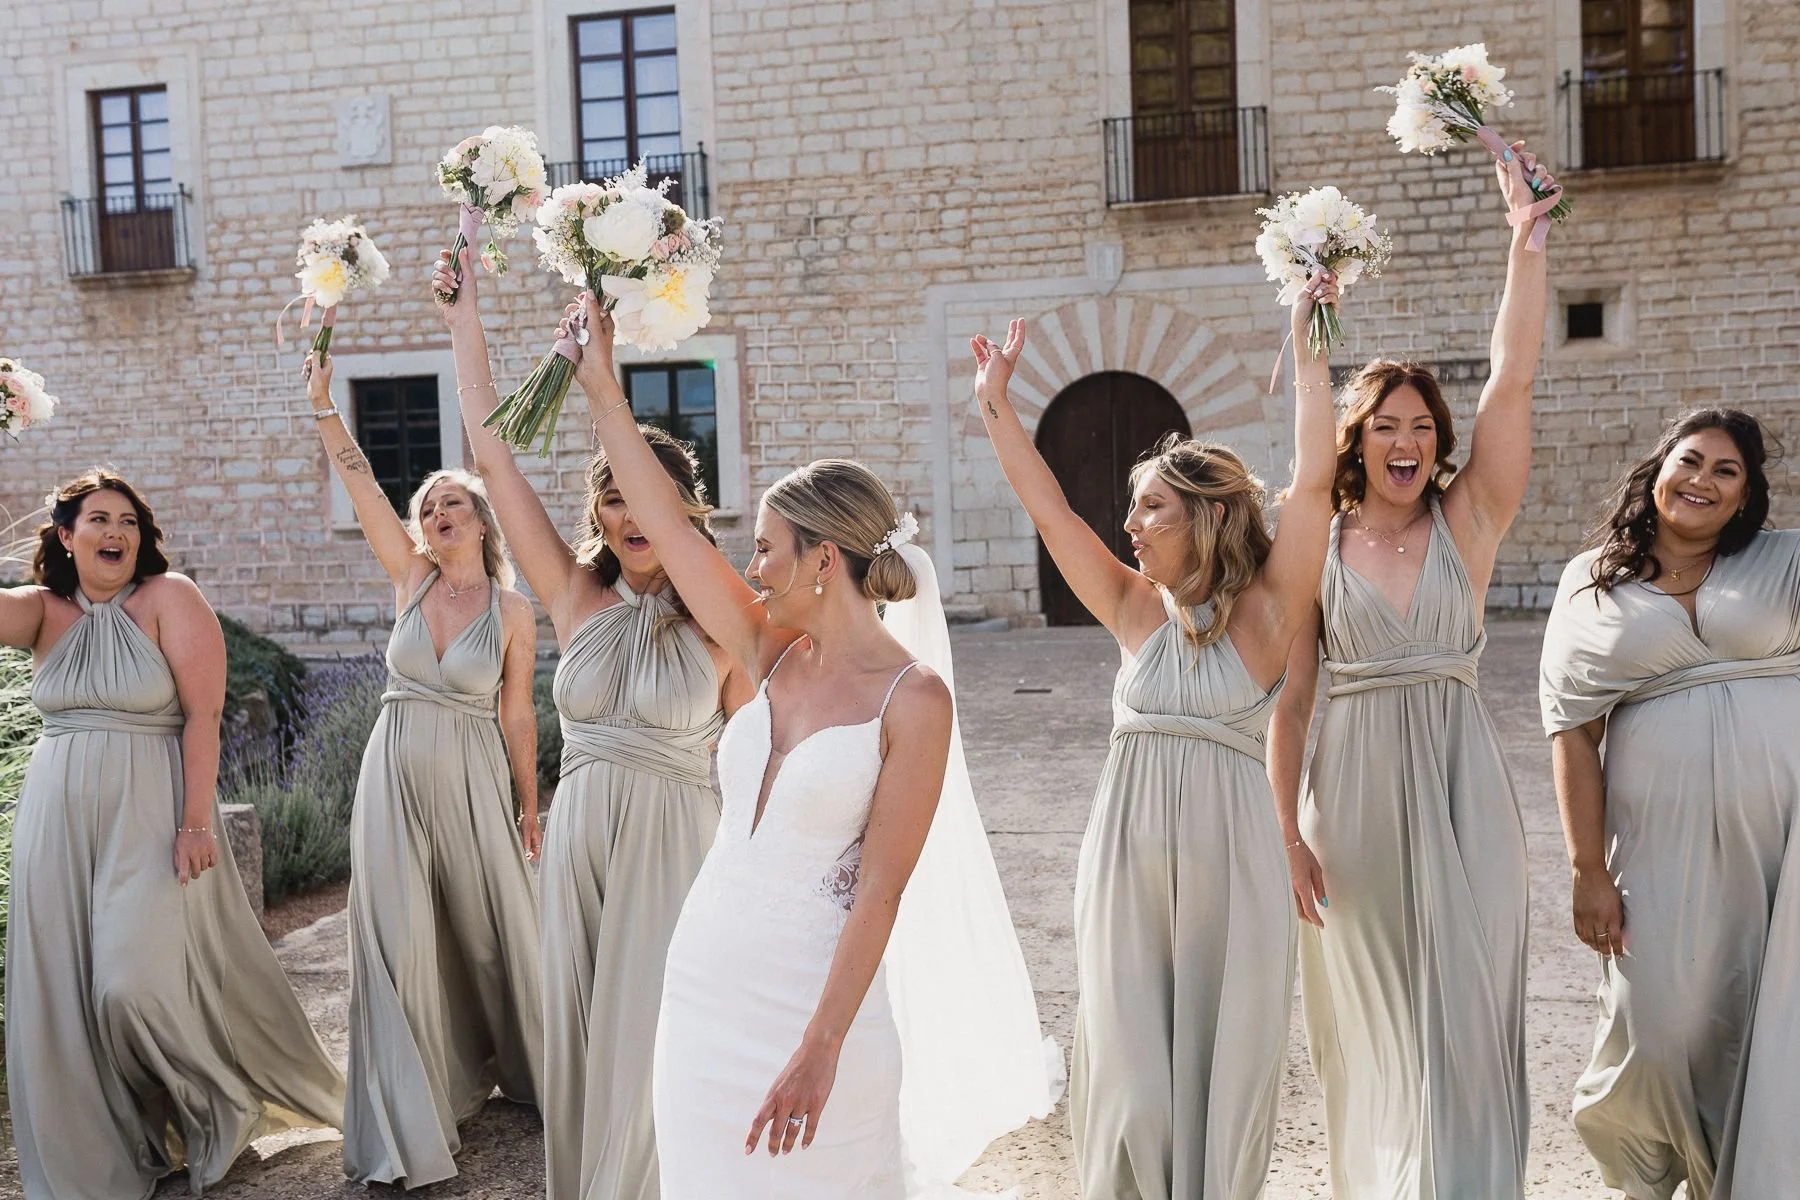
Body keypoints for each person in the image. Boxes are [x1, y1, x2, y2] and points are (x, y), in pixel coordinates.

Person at [561, 291, 1056, 1197]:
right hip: (703, 983)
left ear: (825, 559)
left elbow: (881, 890)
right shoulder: (767, 649)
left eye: (766, 550)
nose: (751, 568)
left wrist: (822, 1044)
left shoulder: (916, 701)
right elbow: (666, 526)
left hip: (814, 1008)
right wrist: (602, 390)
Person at [971, 270, 1339, 1199]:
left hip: (1231, 861)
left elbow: (1316, 474)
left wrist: (1307, 335)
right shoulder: (1136, 611)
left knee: (1225, 1063)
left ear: (1208, 515)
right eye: (1133, 509)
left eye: (1150, 508)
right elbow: (1049, 512)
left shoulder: (1266, 615)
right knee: (1131, 1076)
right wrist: (996, 408)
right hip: (1126, 860)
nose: (1129, 525)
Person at [431, 248, 752, 1200]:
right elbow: (492, 454)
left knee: (654, 1033)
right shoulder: (573, 597)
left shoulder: (727, 616)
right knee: (580, 1028)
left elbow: (753, 752)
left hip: (676, 840)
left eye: (644, 491)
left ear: (682, 506)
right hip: (579, 840)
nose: (626, 510)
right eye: (610, 493)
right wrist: (466, 321)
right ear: (598, 511)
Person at [1264, 144, 1553, 1198]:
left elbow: (1514, 376)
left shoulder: (1468, 520)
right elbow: (1292, 701)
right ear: (1358, 442)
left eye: (1423, 427)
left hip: (1464, 782)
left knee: (1468, 1013)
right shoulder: (1320, 549)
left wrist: (1526, 245)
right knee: (1380, 1019)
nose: (1408, 440)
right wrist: (1286, 829)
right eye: (1385, 425)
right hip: (1353, 800)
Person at [2, 469, 343, 1199]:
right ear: (66, 536)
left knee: (131, 987)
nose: (116, 532)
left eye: (128, 520)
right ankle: (113, 1145)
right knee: (64, 993)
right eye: (98, 519)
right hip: (55, 821)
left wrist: (195, 822)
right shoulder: (41, 610)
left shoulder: (169, 597)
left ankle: (223, 1103)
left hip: (151, 815)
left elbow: (204, 716)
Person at [1540, 407, 1799, 1199]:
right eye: (1690, 461)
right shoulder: (1589, 581)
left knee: (1772, 1014)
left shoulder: (1784, 560)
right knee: (1657, 1025)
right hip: (1657, 844)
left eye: (1727, 472)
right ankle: (1650, 1174)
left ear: (1747, 496)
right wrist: (1588, 868)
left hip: (1784, 840)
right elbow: (1572, 731)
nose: (1702, 481)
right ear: (1658, 469)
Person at [306, 354, 544, 1188]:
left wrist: (530, 805)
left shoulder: (514, 611)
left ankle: (519, 1062)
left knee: (487, 934)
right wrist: (326, 408)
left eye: (454, 503)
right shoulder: (409, 579)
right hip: (395, 769)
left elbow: (519, 711)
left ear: (482, 522)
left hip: (476, 776)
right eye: (429, 506)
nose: (439, 512)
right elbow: (363, 486)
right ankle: (408, 1112)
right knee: (395, 936)